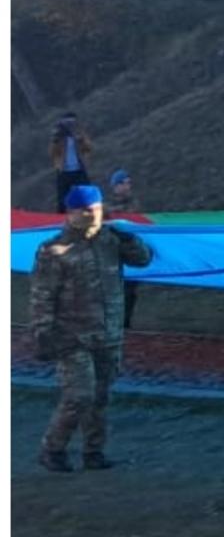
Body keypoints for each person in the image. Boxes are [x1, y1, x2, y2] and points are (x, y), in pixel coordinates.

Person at [30, 184, 153, 472]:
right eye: (85, 211)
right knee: (79, 396)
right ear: (70, 213)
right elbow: (42, 297)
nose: (92, 216)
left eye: (96, 210)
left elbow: (143, 260)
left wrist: (130, 240)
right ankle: (53, 448)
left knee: (100, 397)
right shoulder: (54, 250)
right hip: (71, 337)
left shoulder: (111, 241)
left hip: (108, 334)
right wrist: (43, 334)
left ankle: (93, 452)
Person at [105, 170, 146, 329]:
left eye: (129, 183)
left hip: (130, 251)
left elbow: (131, 217)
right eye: (124, 183)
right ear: (116, 185)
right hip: (112, 252)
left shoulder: (133, 203)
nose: (127, 186)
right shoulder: (106, 204)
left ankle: (125, 323)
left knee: (130, 291)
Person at [48, 112, 93, 213]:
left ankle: (90, 212)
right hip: (64, 170)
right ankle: (61, 217)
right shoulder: (59, 137)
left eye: (72, 122)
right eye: (67, 122)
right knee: (62, 198)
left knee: (86, 194)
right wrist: (55, 139)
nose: (69, 125)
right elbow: (52, 153)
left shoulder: (79, 133)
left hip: (79, 169)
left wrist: (81, 139)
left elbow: (89, 148)